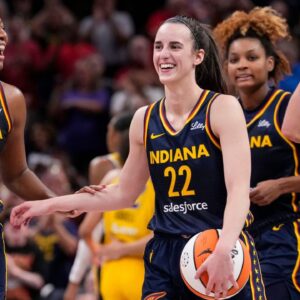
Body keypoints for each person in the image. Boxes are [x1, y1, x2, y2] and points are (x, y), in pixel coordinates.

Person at [10, 16, 265, 300]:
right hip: (165, 255)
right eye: (158, 46)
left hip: (217, 243)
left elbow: (240, 190)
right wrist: (47, 205)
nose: (163, 54)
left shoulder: (222, 108)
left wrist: (224, 248)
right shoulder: (143, 119)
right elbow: (122, 193)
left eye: (175, 46)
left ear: (198, 56)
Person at [214, 7, 300, 299]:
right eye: (234, 60)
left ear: (271, 62)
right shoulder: (222, 115)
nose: (242, 65)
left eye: (252, 58)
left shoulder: (287, 108)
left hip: (286, 231)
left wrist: (283, 185)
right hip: (237, 239)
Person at [0, 17, 58, 299]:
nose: (3, 36)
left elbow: (15, 174)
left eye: (2, 27)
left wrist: (58, 201)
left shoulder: (10, 99)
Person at [79, 128, 154, 300]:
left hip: (110, 274)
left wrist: (99, 254)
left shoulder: (110, 178)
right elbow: (158, 239)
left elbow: (84, 230)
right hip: (142, 273)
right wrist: (122, 249)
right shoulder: (157, 183)